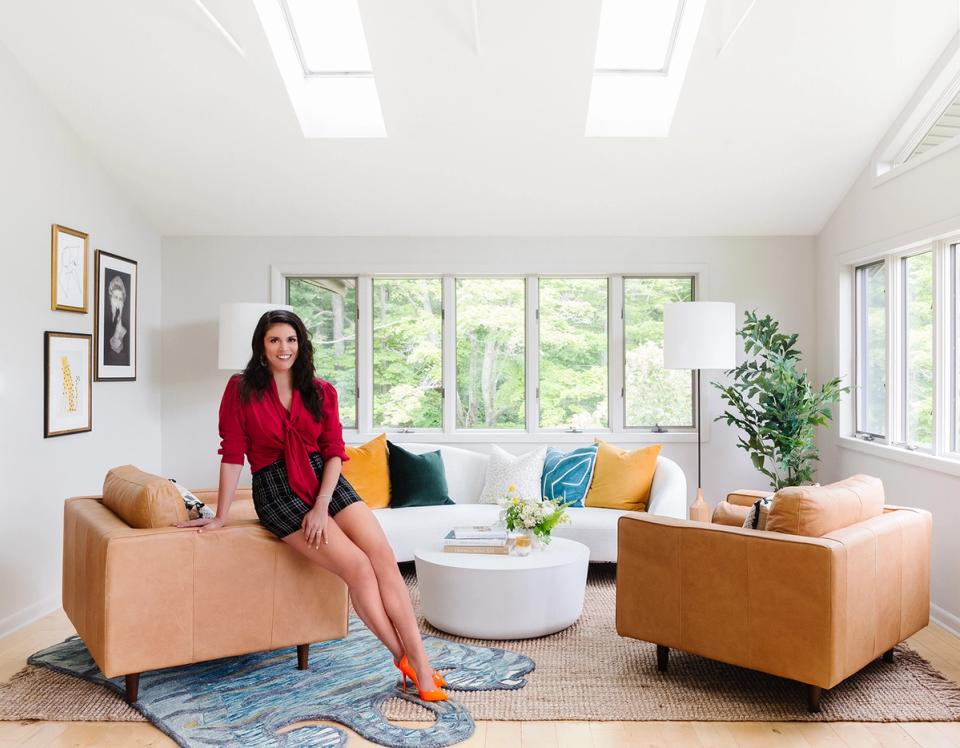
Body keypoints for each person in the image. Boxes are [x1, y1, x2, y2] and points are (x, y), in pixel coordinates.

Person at [177, 309, 448, 701]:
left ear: (301, 344)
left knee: (383, 557)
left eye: (290, 339)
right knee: (358, 568)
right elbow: (233, 454)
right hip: (276, 487)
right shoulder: (241, 389)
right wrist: (220, 515)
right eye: (274, 340)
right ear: (262, 346)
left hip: (324, 479)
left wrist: (321, 506)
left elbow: (334, 452)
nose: (283, 348)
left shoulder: (321, 390)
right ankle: (406, 661)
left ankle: (419, 660)